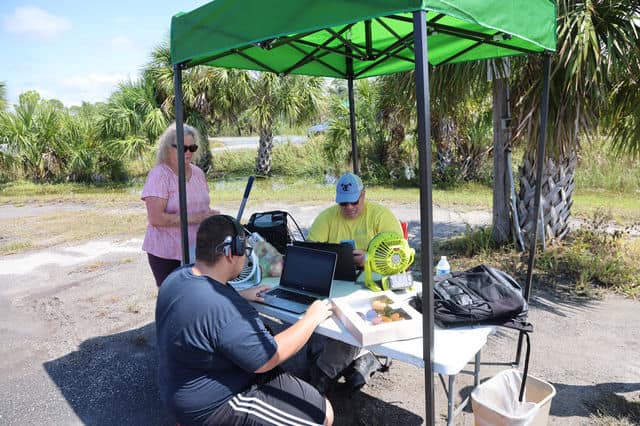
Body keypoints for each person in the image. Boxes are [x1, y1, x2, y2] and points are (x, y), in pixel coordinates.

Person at [156, 215, 334, 426]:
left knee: (317, 403)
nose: (246, 258)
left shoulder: (180, 275)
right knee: (322, 415)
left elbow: (205, 307)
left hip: (184, 384)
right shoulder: (222, 308)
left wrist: (241, 295)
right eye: (246, 251)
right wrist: (310, 319)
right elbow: (268, 358)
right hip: (215, 406)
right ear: (232, 252)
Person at [307, 172, 403, 390]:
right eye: (343, 203)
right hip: (337, 281)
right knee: (323, 315)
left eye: (354, 201)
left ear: (363, 195)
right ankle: (359, 357)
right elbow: (311, 250)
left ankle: (323, 374)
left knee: (354, 320)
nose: (349, 207)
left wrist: (368, 259)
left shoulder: (381, 215)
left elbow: (399, 256)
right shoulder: (327, 218)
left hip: (374, 285)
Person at [141, 123, 219, 287]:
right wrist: (197, 218)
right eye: (182, 148)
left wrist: (211, 217)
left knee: (198, 297)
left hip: (197, 249)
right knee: (175, 301)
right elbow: (156, 218)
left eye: (192, 147)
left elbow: (201, 207)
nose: (188, 152)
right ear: (168, 148)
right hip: (167, 254)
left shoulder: (198, 173)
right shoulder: (160, 175)